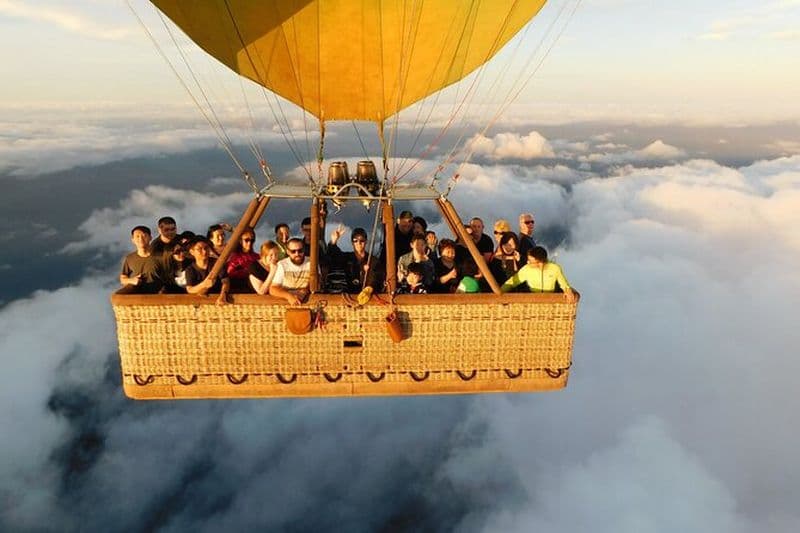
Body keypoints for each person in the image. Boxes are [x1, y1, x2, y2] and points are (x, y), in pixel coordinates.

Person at [501, 246, 576, 302]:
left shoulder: (554, 268)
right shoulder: (527, 269)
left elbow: (564, 284)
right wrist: (500, 292)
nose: (528, 262)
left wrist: (568, 290)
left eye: (530, 261)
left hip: (550, 301)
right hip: (533, 301)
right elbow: (512, 282)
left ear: (540, 262)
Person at [327, 226, 383, 294]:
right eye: (355, 241)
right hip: (349, 298)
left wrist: (370, 288)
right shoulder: (346, 258)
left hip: (369, 299)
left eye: (362, 240)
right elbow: (334, 255)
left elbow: (377, 279)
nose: (358, 243)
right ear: (352, 243)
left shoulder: (374, 261)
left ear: (366, 242)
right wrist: (333, 241)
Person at [118, 225, 165, 294]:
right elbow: (123, 279)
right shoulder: (129, 258)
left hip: (158, 298)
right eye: (137, 236)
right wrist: (132, 280)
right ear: (133, 240)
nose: (141, 239)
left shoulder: (161, 257)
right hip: (137, 299)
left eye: (144, 236)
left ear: (150, 238)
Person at [185, 237, 230, 305]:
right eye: (199, 249)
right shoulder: (190, 269)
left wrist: (223, 295)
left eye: (206, 248)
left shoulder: (217, 263)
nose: (204, 251)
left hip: (218, 297)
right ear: (192, 252)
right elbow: (190, 289)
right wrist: (204, 284)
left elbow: (225, 281)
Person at [270, 237, 314, 305]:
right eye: (293, 251)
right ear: (288, 252)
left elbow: (317, 282)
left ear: (304, 250)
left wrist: (304, 291)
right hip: (287, 303)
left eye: (300, 250)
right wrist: (289, 297)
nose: (297, 254)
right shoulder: (282, 265)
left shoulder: (312, 263)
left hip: (309, 302)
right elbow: (273, 289)